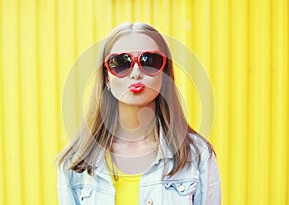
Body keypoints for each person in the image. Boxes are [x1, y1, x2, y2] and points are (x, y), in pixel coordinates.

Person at [56, 22, 221, 205]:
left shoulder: (197, 155)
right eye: (120, 63)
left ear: (164, 75)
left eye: (149, 61)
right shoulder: (76, 162)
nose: (135, 73)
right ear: (106, 78)